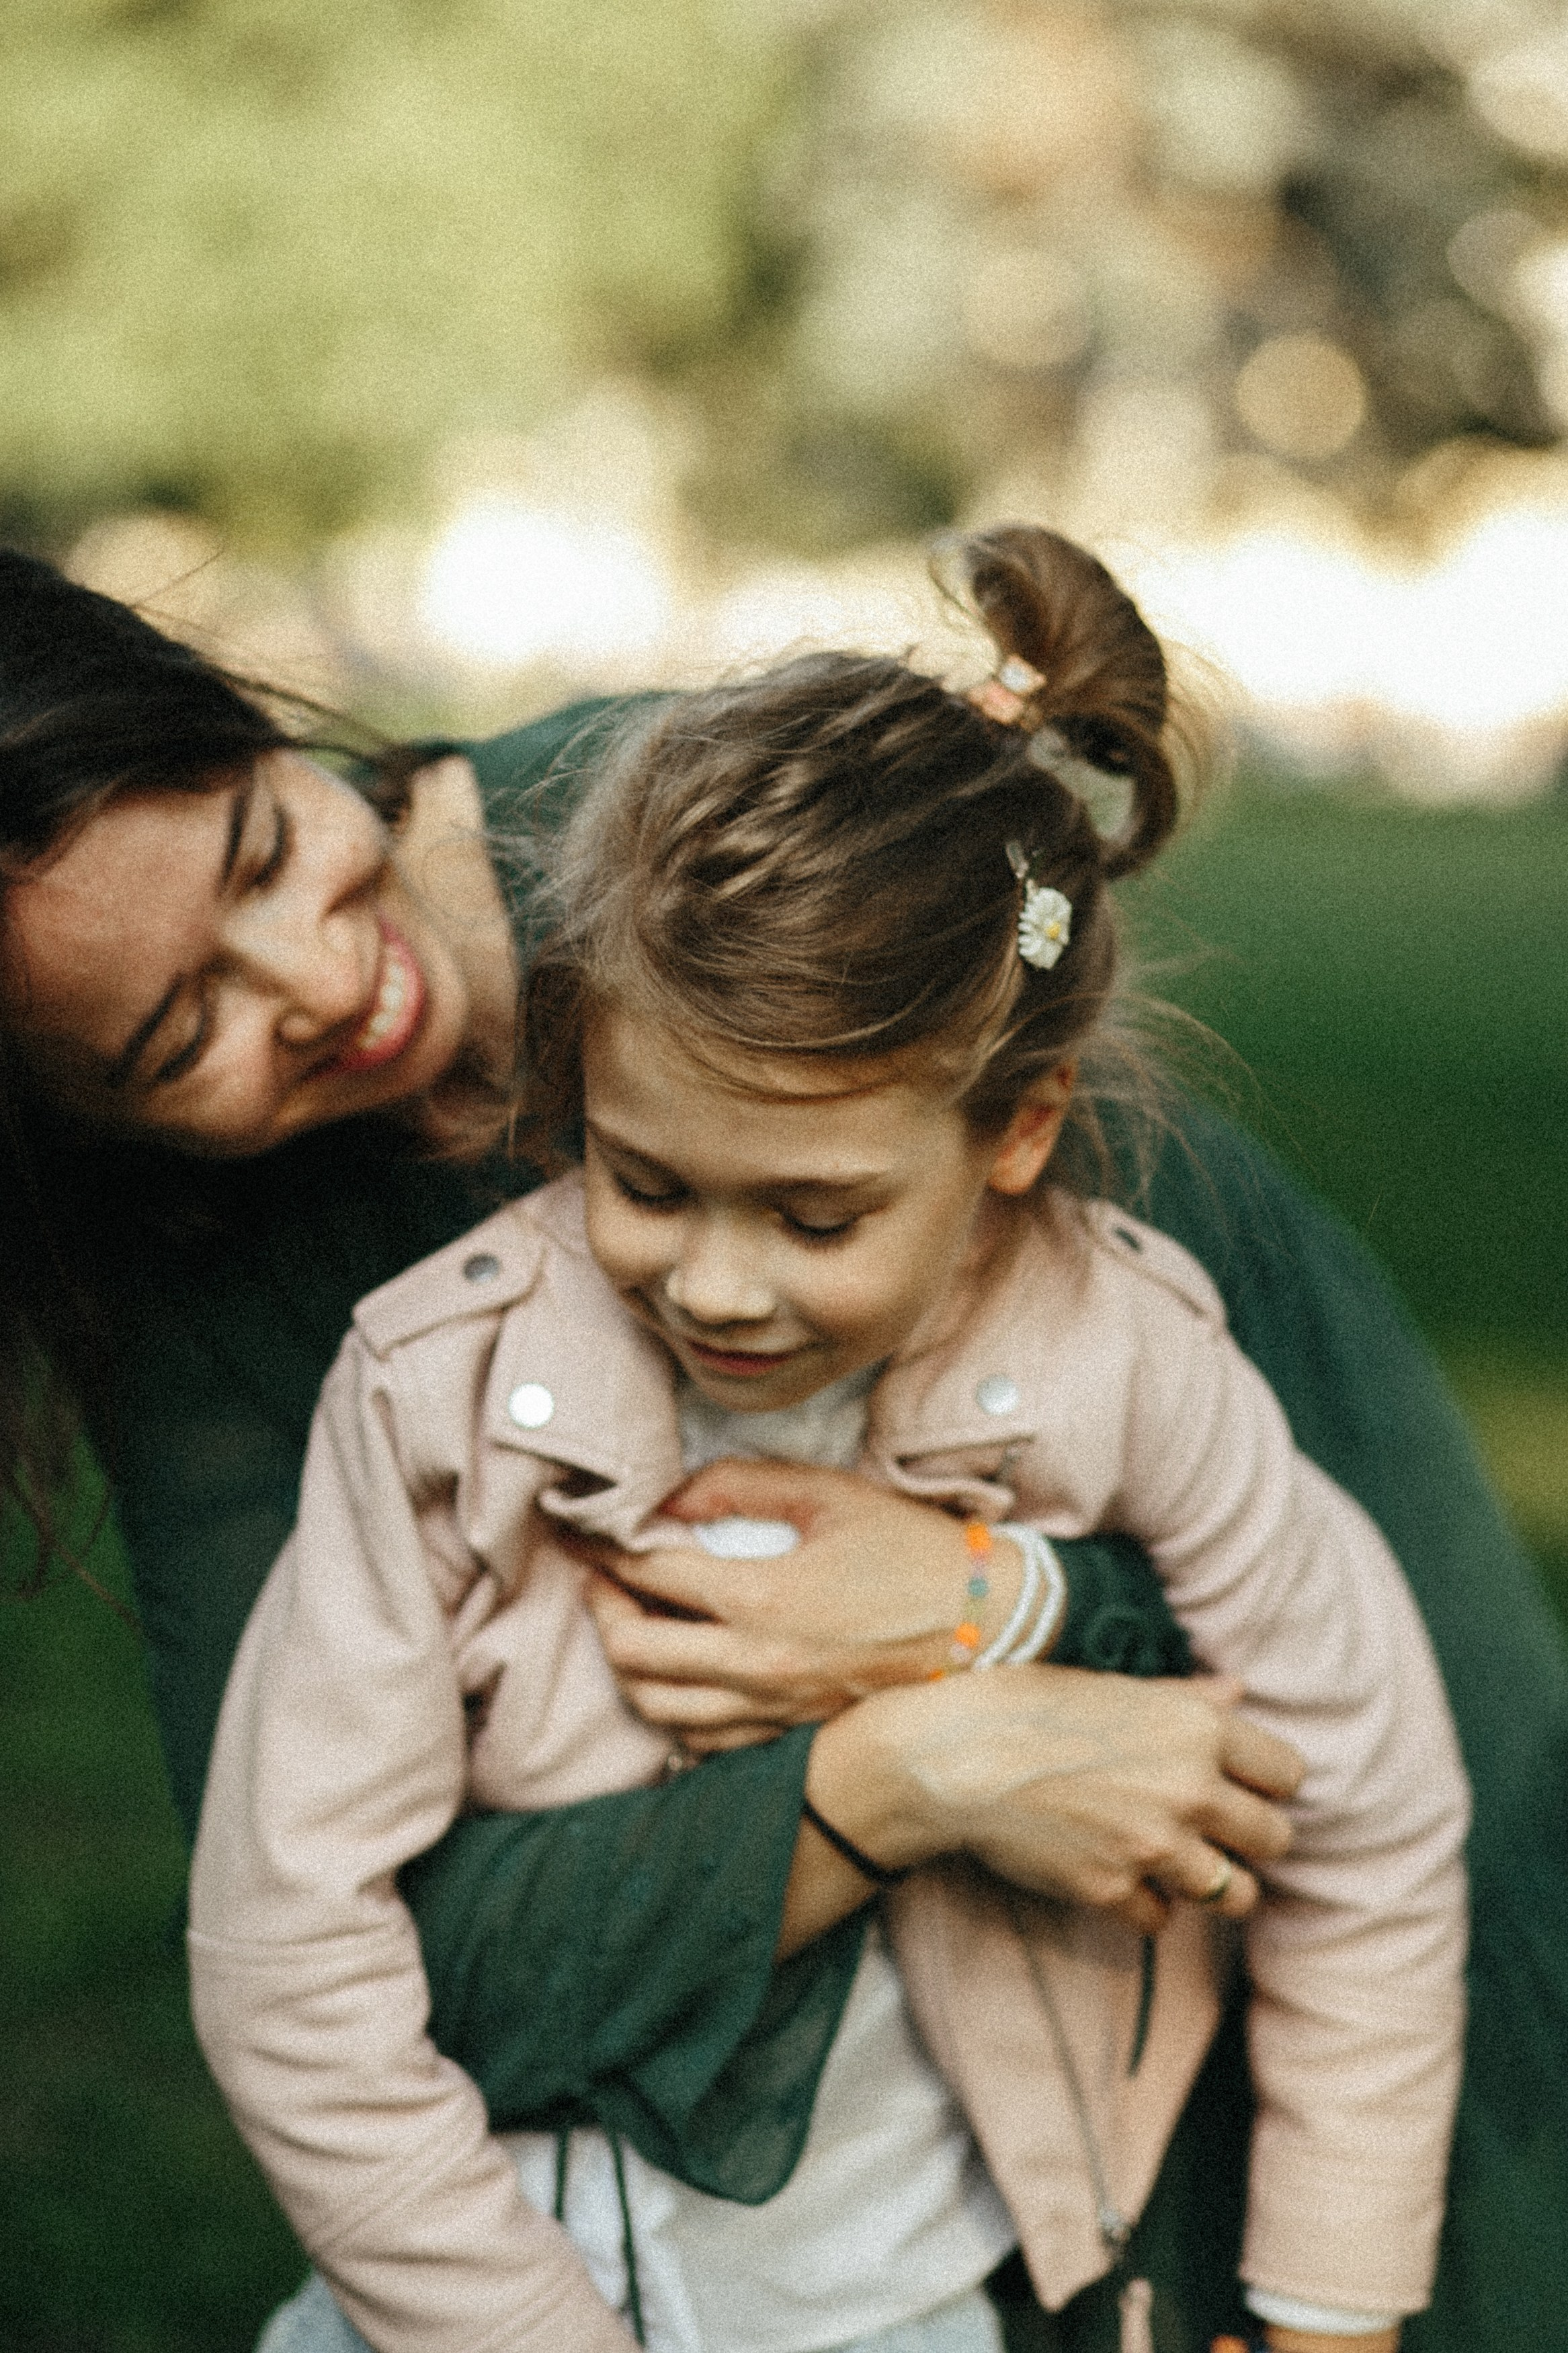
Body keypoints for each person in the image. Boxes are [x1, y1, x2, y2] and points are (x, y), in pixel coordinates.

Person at [0, 544, 1563, 2350]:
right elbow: (309, 1950)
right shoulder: (404, 1376)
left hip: (1076, 2088)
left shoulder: (810, 922)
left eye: (268, 849)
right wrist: (892, 1771)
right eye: (181, 1030)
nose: (326, 976)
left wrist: (1002, 1603)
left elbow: (1356, 1783)